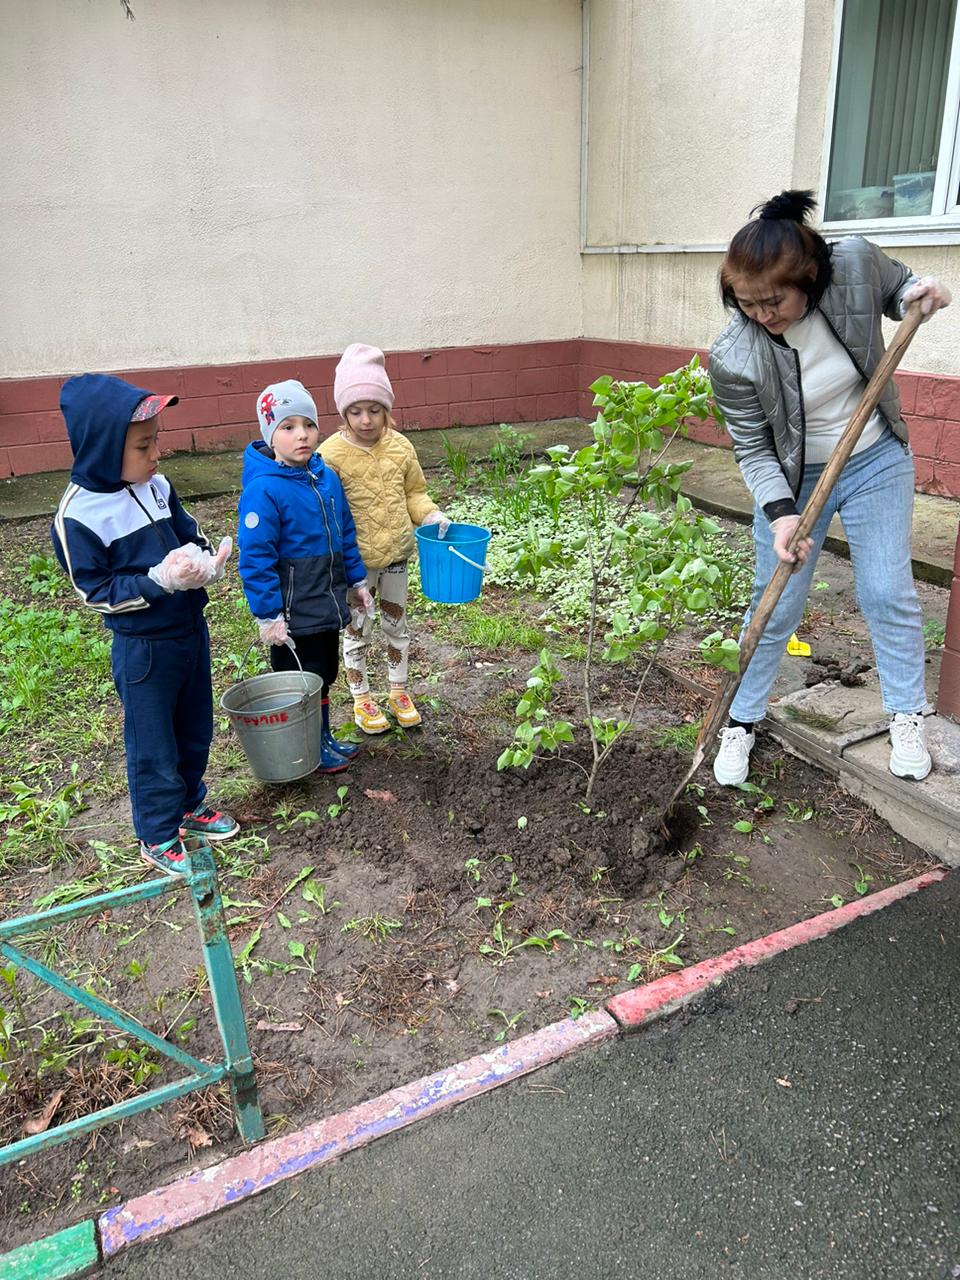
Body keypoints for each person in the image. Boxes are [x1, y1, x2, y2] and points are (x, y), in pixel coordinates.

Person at [708, 190, 951, 787]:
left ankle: (905, 713)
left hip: (873, 458)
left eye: (774, 301)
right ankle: (740, 720)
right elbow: (753, 446)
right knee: (777, 603)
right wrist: (783, 516)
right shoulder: (733, 357)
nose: (762, 315)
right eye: (747, 304)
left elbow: (897, 288)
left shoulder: (855, 266)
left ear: (810, 276)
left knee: (886, 589)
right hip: (795, 481)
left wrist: (920, 291)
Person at [51, 374, 237, 874]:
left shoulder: (155, 486)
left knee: (195, 726)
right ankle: (156, 832)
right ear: (103, 448)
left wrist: (206, 562)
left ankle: (190, 804)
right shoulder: (80, 515)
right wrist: (158, 580)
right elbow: (97, 592)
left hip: (189, 632)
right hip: (144, 650)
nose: (156, 454)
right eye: (143, 445)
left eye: (156, 440)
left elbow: (188, 532)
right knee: (153, 741)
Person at [237, 379, 373, 772]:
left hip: (325, 598)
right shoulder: (264, 490)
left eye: (308, 425)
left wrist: (357, 581)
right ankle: (306, 746)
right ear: (270, 435)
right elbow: (256, 558)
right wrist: (268, 615)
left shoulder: (324, 476)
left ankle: (323, 737)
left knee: (325, 673)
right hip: (292, 610)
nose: (302, 435)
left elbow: (345, 531)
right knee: (302, 680)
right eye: (288, 427)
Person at [318, 345, 449, 734]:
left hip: (395, 557)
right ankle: (361, 697)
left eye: (374, 410)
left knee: (397, 625)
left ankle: (398, 690)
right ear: (343, 412)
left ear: (386, 409)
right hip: (355, 566)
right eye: (355, 411)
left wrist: (431, 513)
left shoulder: (400, 446)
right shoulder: (330, 455)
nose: (366, 420)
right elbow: (326, 512)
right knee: (357, 630)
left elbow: (414, 492)